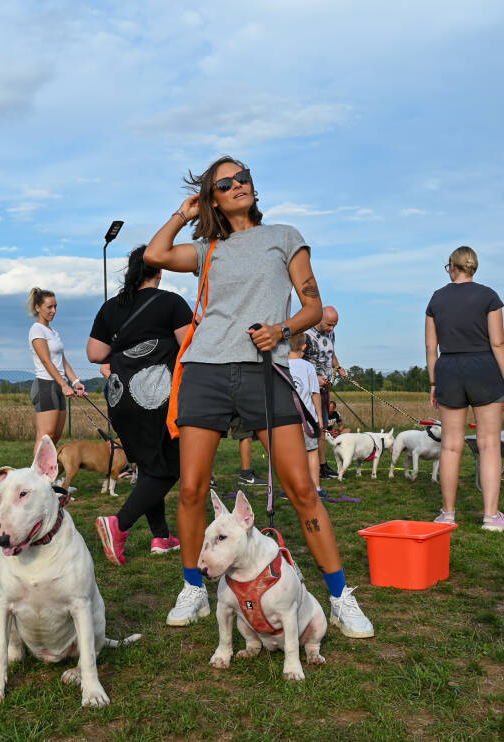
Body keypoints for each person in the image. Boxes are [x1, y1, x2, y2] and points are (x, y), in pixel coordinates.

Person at [144, 155, 373, 637]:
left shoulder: (284, 237)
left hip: (264, 371)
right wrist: (184, 213)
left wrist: (281, 329)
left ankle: (339, 598)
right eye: (225, 183)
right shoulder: (206, 248)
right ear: (213, 199)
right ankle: (193, 588)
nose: (238, 185)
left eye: (242, 177)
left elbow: (313, 306)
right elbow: (155, 255)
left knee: (302, 489)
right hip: (205, 370)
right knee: (191, 488)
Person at [87, 245, 192, 564]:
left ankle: (161, 536)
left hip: (120, 398)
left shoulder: (111, 307)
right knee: (170, 466)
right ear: (159, 270)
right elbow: (189, 345)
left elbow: (95, 354)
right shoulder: (171, 302)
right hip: (157, 396)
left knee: (148, 465)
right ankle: (119, 524)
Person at [426, 246, 504, 531]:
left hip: (449, 370)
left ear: (453, 267)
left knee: (450, 445)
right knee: (489, 444)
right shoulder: (489, 296)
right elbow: (498, 343)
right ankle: (491, 517)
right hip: (484, 369)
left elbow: (430, 347)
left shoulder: (437, 298)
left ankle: (447, 514)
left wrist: (433, 382)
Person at [27, 287, 85, 454]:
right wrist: (63, 385)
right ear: (38, 308)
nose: (54, 311)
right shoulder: (36, 329)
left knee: (55, 436)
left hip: (59, 385)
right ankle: (37, 470)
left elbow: (63, 361)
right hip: (45, 385)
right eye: (49, 307)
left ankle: (47, 470)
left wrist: (75, 382)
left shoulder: (53, 332)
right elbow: (46, 361)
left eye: (55, 306)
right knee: (45, 436)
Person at [303, 306, 347, 480]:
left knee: (323, 428)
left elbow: (331, 353)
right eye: (329, 324)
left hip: (324, 388)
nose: (332, 328)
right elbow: (296, 360)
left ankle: (322, 466)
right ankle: (308, 465)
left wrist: (338, 366)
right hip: (308, 389)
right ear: (319, 318)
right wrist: (314, 378)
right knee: (310, 428)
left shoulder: (330, 334)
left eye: (335, 325)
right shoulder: (305, 334)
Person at [288, 333, 324, 492]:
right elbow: (315, 393)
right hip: (307, 419)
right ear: (304, 347)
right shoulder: (308, 366)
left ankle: (290, 489)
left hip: (286, 419)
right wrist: (319, 417)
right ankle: (316, 487)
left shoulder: (280, 365)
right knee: (312, 451)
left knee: (289, 454)